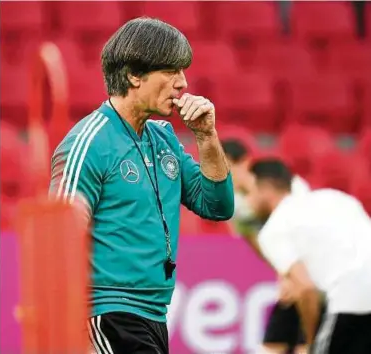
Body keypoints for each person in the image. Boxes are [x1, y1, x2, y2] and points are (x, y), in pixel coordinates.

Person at [49, 17, 234, 354]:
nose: (183, 83)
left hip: (153, 316)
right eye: (172, 71)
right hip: (105, 314)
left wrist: (206, 135)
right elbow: (58, 239)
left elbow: (218, 207)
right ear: (135, 74)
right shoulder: (89, 142)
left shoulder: (164, 138)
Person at [245, 158, 371, 354]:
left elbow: (305, 288)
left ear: (266, 190)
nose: (248, 200)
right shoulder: (335, 197)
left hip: (351, 301)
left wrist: (312, 340)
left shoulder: (274, 229)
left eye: (250, 192)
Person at [222, 138, 311, 354]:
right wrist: (285, 275)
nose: (223, 174)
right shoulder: (236, 208)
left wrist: (296, 277)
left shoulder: (291, 187)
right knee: (275, 343)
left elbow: (309, 237)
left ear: (244, 162)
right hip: (291, 274)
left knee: (303, 342)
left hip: (311, 272)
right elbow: (262, 248)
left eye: (227, 167)